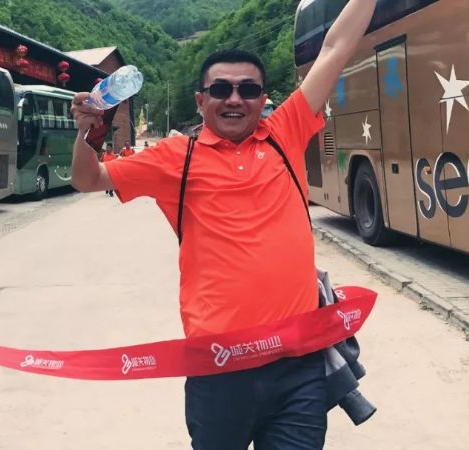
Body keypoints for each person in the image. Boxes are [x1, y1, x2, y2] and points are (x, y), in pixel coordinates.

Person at [69, 1, 377, 449]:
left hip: (299, 367)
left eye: (248, 89)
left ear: (263, 100)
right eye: (221, 89)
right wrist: (86, 134)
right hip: (219, 369)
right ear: (201, 100)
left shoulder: (285, 132)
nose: (235, 99)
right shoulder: (175, 158)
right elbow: (88, 179)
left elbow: (335, 46)